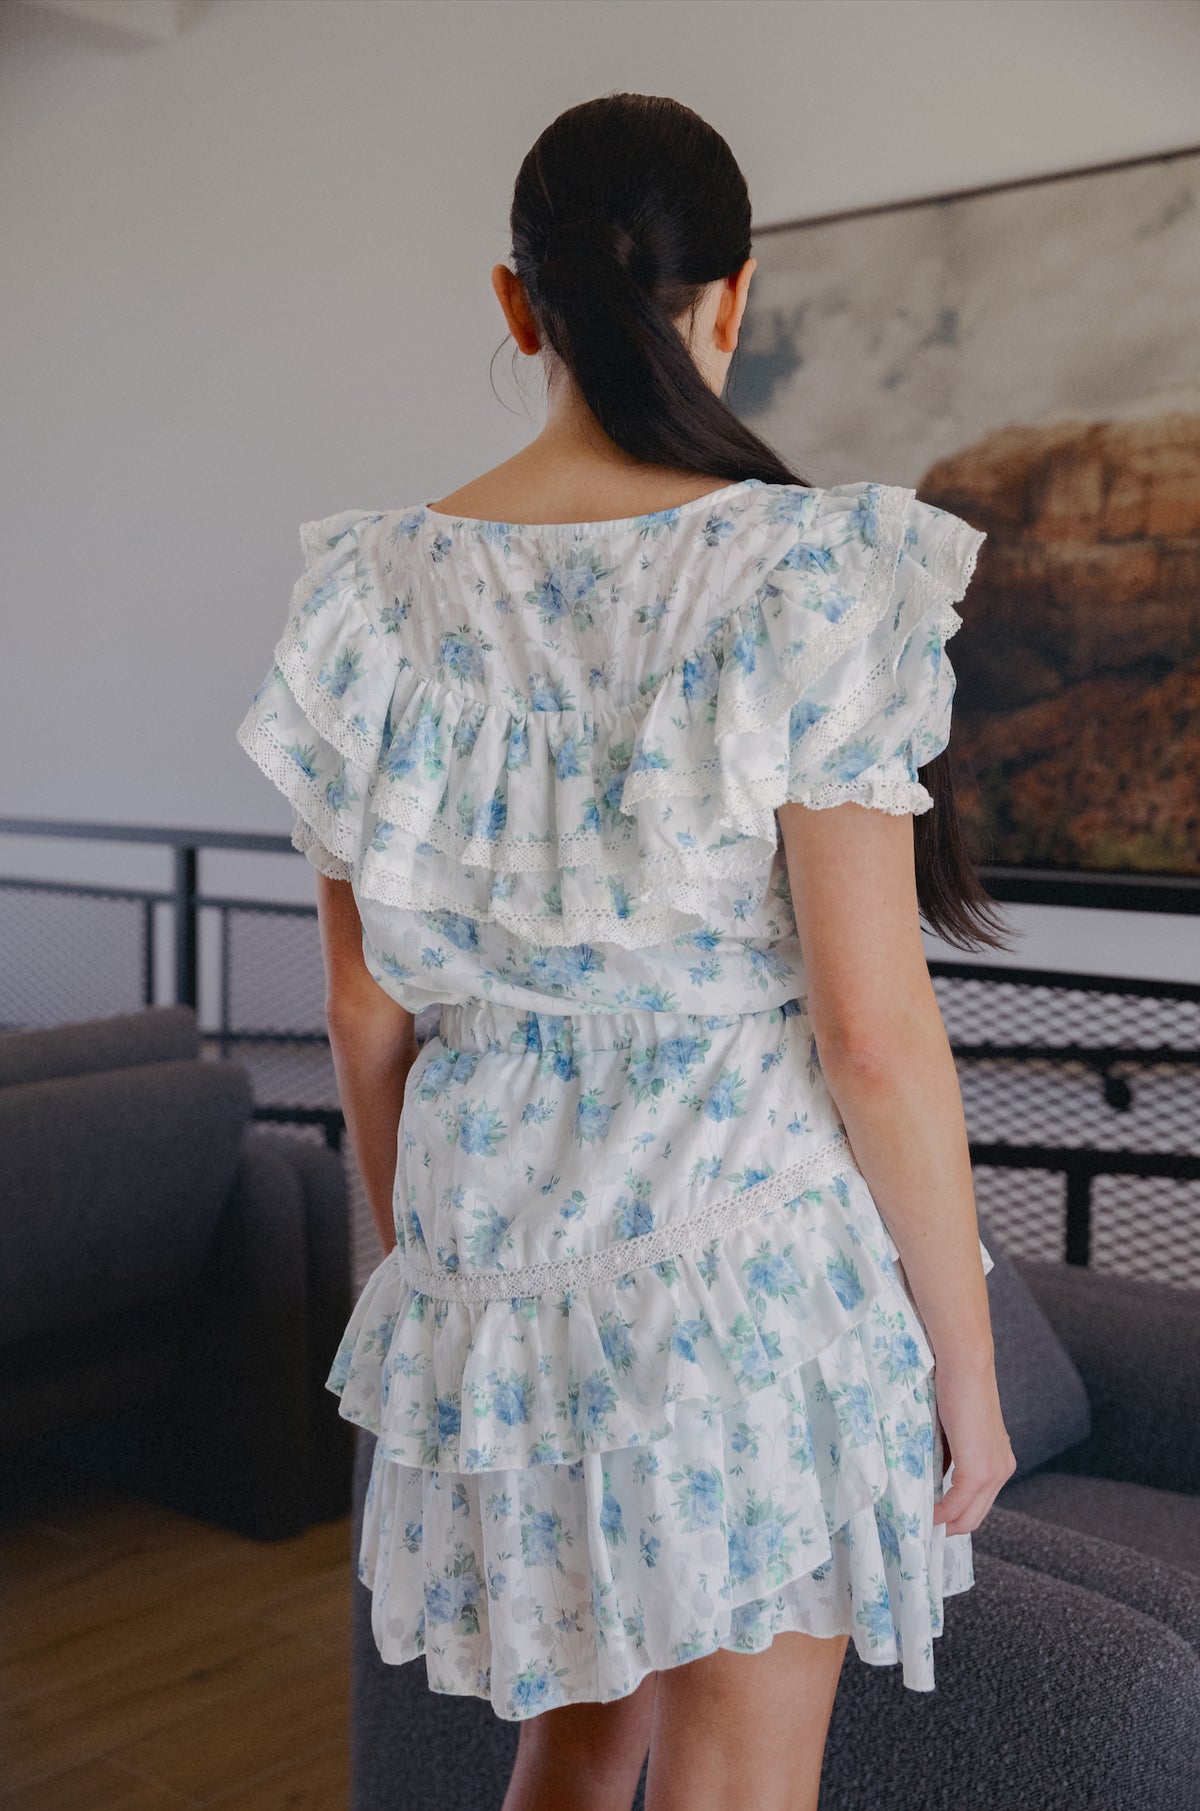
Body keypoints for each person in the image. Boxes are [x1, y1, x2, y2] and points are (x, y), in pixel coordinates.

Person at [236, 91, 1017, 1811]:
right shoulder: (808, 575)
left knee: (572, 1760)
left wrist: (425, 1266)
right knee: (742, 1783)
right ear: (731, 298)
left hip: (497, 1273)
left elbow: (367, 1007)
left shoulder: (371, 595)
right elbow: (874, 1036)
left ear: (516, 307)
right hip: (747, 1276)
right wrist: (966, 1364)